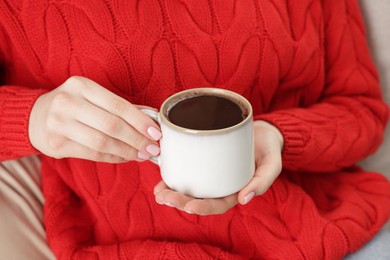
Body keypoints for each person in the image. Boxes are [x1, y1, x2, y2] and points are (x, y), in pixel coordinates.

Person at [0, 0, 389, 259]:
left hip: (329, 236)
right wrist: (31, 118)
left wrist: (279, 136)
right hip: (131, 249)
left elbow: (362, 111)